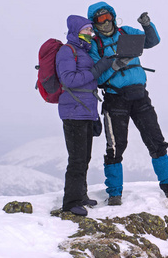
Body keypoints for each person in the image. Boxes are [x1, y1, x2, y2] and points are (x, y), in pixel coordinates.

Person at [87, 2, 168, 206]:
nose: (106, 21)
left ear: (114, 15)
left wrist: (147, 26)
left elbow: (152, 41)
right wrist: (116, 66)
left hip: (140, 96)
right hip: (114, 98)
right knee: (116, 147)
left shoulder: (126, 32)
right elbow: (96, 78)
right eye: (100, 19)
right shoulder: (95, 45)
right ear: (94, 22)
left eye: (108, 16)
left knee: (155, 140)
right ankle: (115, 194)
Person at [56, 15, 131, 215]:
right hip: (73, 111)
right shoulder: (67, 51)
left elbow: (90, 82)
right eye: (87, 30)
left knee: (85, 157)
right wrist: (98, 69)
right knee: (77, 159)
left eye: (90, 29)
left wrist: (94, 116)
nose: (91, 33)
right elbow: (69, 80)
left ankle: (80, 195)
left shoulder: (83, 51)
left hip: (86, 110)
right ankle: (71, 203)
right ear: (75, 31)